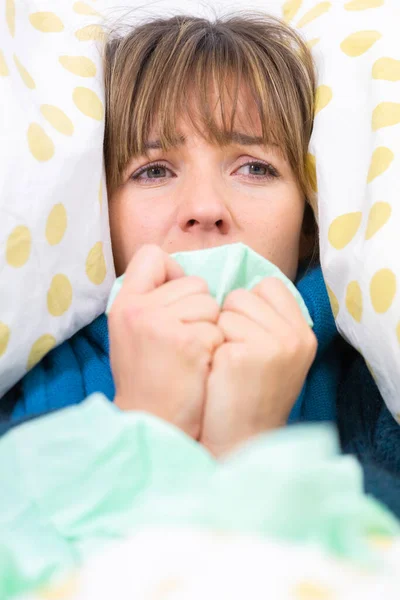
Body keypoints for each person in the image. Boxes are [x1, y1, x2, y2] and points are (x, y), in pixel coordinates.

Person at [2, 14, 400, 514]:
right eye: (154, 171)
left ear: (309, 224)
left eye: (255, 168)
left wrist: (249, 452)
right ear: (99, 215)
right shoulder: (43, 375)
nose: (205, 208)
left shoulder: (368, 381)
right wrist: (147, 420)